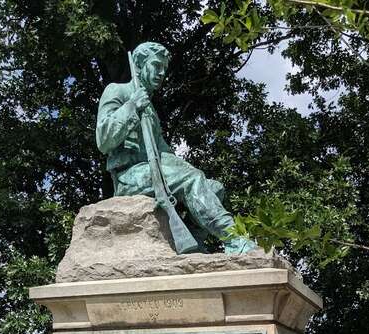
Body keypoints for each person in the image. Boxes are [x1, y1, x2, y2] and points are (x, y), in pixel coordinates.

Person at [96, 41, 256, 254]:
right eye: (156, 65)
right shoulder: (118, 91)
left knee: (214, 187)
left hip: (156, 169)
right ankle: (234, 239)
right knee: (191, 179)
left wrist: (189, 171)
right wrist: (132, 106)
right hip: (130, 177)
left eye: (164, 68)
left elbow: (165, 153)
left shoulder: (150, 109)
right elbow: (103, 139)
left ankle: (193, 243)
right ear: (140, 65)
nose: (161, 73)